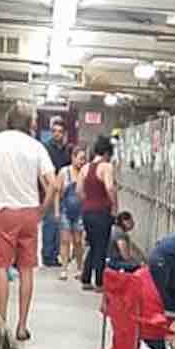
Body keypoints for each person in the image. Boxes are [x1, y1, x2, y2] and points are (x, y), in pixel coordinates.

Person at [0, 103, 57, 342]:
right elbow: (53, 183)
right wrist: (42, 209)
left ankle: (1, 325)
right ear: (30, 123)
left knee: (1, 267)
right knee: (26, 269)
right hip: (29, 213)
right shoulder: (37, 147)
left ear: (8, 119)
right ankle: (22, 326)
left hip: (5, 211)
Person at [78, 135, 117, 291]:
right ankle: (99, 282)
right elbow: (109, 188)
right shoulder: (106, 167)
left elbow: (79, 191)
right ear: (107, 152)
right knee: (101, 246)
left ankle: (86, 278)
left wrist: (88, 201)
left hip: (87, 212)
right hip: (101, 212)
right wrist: (114, 205)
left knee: (93, 245)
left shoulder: (85, 168)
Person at [41, 116, 71, 267]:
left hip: (64, 191)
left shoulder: (67, 149)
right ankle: (47, 256)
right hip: (49, 190)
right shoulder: (46, 148)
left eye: (60, 131)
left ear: (64, 133)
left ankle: (56, 254)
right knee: (49, 223)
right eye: (54, 131)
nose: (57, 134)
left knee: (60, 224)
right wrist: (47, 190)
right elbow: (41, 171)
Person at [56, 147, 87, 280]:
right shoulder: (64, 172)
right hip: (65, 210)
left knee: (78, 241)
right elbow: (57, 192)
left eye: (84, 159)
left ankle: (79, 268)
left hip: (81, 211)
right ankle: (64, 269)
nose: (82, 162)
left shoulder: (85, 172)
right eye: (80, 158)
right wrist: (56, 211)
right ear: (73, 158)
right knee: (64, 240)